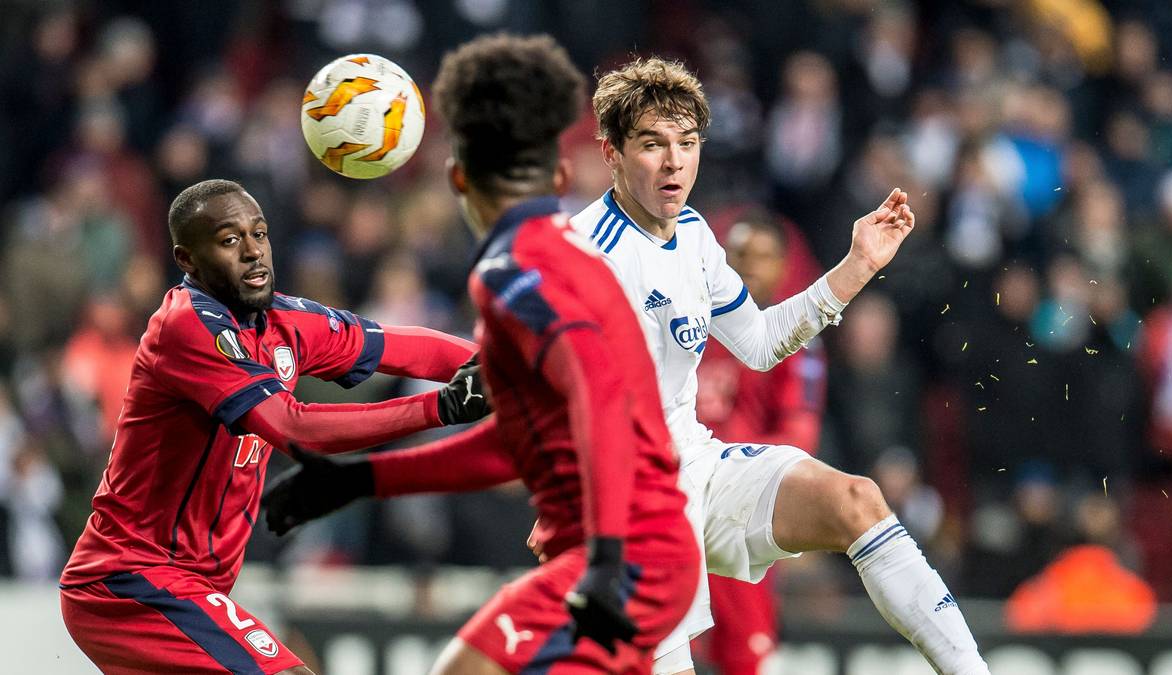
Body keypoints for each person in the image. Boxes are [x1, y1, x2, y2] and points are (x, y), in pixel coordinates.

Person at [262, 35, 700, 674]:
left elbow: (599, 398)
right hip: (636, 553)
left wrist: (607, 559)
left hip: (626, 557)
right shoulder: (566, 256)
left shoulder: (515, 273)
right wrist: (363, 479)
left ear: (457, 177)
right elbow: (512, 445)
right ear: (557, 177)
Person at [568, 57, 989, 675]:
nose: (674, 163)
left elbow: (761, 342)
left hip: (696, 463)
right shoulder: (587, 255)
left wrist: (858, 265)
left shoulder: (693, 232)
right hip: (631, 497)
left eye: (687, 144)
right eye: (652, 145)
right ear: (611, 151)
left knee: (856, 500)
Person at [58, 178, 490, 675]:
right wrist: (441, 408)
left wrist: (508, 368)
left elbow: (401, 346)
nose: (252, 252)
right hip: (131, 580)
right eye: (229, 240)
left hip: (189, 582)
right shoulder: (187, 327)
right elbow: (293, 427)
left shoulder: (282, 320)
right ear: (186, 259)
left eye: (258, 234)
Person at [693, 213, 827, 675]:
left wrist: (733, 461)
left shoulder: (794, 339)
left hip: (733, 504)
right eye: (740, 256)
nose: (750, 267)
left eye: (763, 257)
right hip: (670, 496)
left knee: (742, 654)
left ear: (784, 267)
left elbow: (799, 435)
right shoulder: (690, 325)